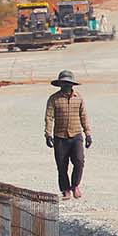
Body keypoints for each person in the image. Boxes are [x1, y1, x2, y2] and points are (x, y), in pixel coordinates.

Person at [43, 69, 91, 199]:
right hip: (60, 137)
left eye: (68, 83)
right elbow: (49, 117)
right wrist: (48, 135)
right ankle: (65, 189)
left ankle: (75, 186)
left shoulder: (79, 98)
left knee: (79, 161)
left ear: (72, 85)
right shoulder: (54, 99)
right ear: (60, 84)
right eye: (64, 83)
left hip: (76, 135)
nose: (66, 86)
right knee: (62, 165)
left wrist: (88, 134)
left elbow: (84, 116)